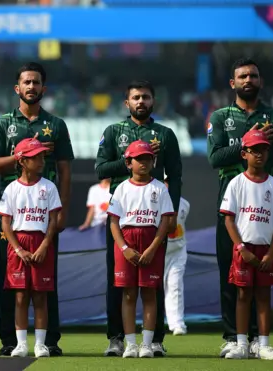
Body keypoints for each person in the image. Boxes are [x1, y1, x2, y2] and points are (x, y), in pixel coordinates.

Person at [0, 62, 74, 356]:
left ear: (43, 89)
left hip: (44, 210)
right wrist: (23, 155)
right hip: (12, 211)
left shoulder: (56, 125)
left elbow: (64, 171)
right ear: (17, 88)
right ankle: (10, 341)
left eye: (36, 82)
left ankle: (49, 341)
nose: (31, 87)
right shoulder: (2, 124)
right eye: (26, 82)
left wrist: (62, 211)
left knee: (46, 281)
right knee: (10, 280)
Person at [207, 58, 273, 357]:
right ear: (232, 83)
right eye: (242, 76)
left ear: (261, 81)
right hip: (231, 211)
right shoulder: (219, 117)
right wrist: (244, 142)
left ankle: (259, 340)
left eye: (253, 76)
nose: (248, 80)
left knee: (262, 280)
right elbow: (215, 158)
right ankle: (234, 337)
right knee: (230, 277)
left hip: (265, 211)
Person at [95, 80, 182, 357]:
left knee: (152, 283)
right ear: (127, 103)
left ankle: (154, 340)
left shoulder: (166, 134)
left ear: (153, 101)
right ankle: (117, 338)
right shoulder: (113, 131)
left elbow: (175, 177)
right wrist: (131, 158)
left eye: (145, 97)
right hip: (123, 219)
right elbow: (100, 170)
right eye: (135, 97)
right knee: (118, 282)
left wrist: (172, 213)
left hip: (155, 219)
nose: (141, 101)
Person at [220, 130, 273, 360]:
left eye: (263, 149)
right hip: (244, 249)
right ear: (244, 154)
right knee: (242, 295)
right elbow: (228, 219)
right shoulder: (236, 183)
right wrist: (241, 248)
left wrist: (272, 251)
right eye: (254, 150)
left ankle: (263, 344)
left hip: (265, 249)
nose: (259, 154)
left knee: (263, 296)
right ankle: (241, 344)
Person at [107, 140, 174, 358]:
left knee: (149, 293)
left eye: (147, 158)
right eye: (138, 159)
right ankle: (131, 344)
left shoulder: (160, 188)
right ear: (128, 162)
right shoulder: (121, 189)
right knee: (128, 294)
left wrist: (154, 247)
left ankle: (147, 343)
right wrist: (124, 247)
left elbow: (165, 221)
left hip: (151, 241)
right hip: (127, 242)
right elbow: (113, 222)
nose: (143, 163)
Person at [0, 138, 62, 358]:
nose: (42, 160)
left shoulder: (49, 186)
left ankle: (41, 344)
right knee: (20, 297)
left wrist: (45, 244)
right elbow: (6, 222)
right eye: (36, 157)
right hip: (19, 244)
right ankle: (21, 344)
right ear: (22, 161)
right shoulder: (12, 188)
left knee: (41, 297)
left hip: (42, 242)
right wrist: (17, 249)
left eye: (42, 156)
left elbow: (53, 220)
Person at [163, 178, 190, 336]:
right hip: (157, 253)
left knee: (175, 286)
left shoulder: (185, 204)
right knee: (154, 289)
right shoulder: (156, 201)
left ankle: (177, 323)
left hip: (177, 252)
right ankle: (153, 323)